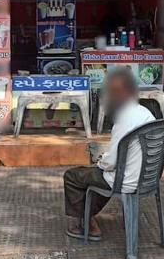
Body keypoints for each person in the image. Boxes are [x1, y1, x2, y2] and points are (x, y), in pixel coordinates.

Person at [63, 68, 155, 240]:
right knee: (96, 175)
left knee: (73, 176)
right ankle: (89, 216)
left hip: (126, 180)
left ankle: (83, 224)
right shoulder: (145, 112)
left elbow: (111, 162)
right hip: (148, 178)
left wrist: (100, 162)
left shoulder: (125, 118)